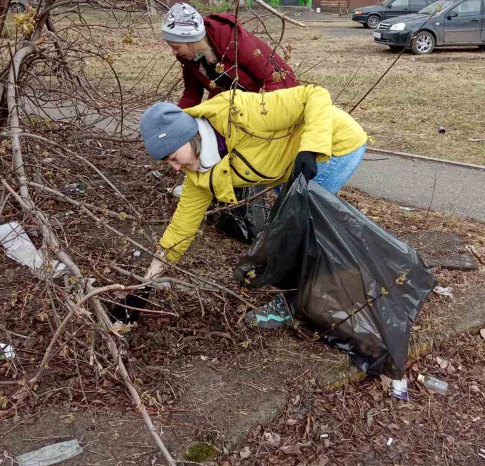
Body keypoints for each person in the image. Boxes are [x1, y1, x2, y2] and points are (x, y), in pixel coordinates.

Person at [134, 84, 367, 328]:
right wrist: (143, 286)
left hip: (333, 145)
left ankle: (292, 303)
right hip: (286, 164)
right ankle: (333, 263)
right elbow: (180, 230)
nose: (175, 167)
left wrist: (310, 148)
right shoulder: (199, 176)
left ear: (187, 136)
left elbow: (315, 95)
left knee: (296, 227)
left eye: (172, 157)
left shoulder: (238, 114)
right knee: (293, 220)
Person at [161, 3, 298, 109]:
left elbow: (270, 78)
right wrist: (176, 119)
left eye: (176, 47)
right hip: (234, 103)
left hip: (275, 94)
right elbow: (192, 94)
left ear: (192, 41)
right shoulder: (190, 59)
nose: (174, 52)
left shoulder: (230, 39)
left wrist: (259, 113)